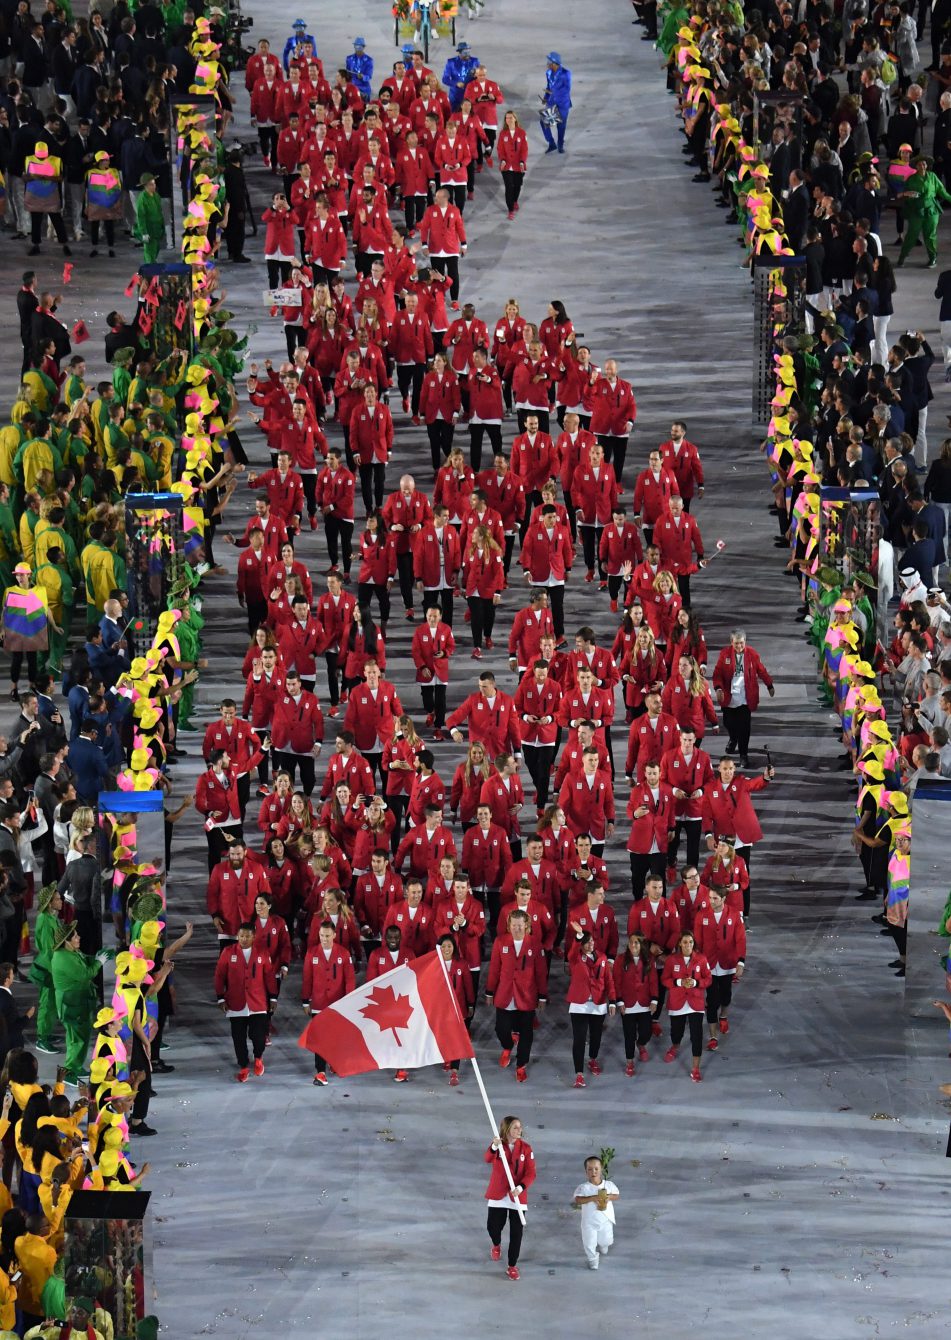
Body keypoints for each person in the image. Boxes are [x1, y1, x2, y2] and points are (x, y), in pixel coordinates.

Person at [485, 908, 548, 1081]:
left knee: (526, 1033)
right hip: (505, 994)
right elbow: (494, 969)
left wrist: (542, 996)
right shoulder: (500, 942)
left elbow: (541, 972)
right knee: (501, 1029)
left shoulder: (535, 943)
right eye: (514, 925)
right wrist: (489, 991)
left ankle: (521, 1065)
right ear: (509, 925)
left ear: (526, 925)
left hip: (527, 996)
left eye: (520, 926)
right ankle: (507, 1045)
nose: (517, 929)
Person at [214, 921, 278, 1082]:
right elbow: (219, 975)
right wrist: (220, 997)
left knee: (258, 1035)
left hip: (258, 1001)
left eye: (247, 936)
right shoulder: (228, 952)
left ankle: (258, 1058)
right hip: (236, 1002)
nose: (243, 939)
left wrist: (273, 997)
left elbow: (269, 976)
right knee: (238, 1037)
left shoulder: (262, 952)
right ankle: (243, 1066)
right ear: (237, 936)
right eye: (241, 936)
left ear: (253, 937)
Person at [711, 630, 775, 768]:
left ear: (745, 642)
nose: (739, 646)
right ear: (731, 642)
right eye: (736, 643)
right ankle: (733, 739)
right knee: (729, 723)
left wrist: (769, 684)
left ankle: (743, 755)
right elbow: (717, 673)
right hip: (729, 696)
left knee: (744, 728)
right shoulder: (725, 654)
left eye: (741, 643)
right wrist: (718, 688)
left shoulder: (752, 654)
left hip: (746, 697)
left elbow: (761, 670)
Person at [484, 1114, 535, 1280]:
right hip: (498, 1193)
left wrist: (521, 1187)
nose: (520, 1130)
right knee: (493, 1226)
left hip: (517, 1196)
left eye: (520, 1127)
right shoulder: (498, 1145)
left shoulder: (526, 1149)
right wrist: (493, 1146)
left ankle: (512, 1265)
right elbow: (487, 1158)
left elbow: (531, 1172)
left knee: (516, 1234)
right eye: (515, 1127)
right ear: (507, 1129)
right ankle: (496, 1244)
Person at [565, 928, 614, 1087]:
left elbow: (609, 981)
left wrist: (612, 1001)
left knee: (596, 1036)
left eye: (592, 941)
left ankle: (592, 1059)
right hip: (579, 1004)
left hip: (598, 1004)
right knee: (579, 1039)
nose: (590, 944)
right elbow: (572, 950)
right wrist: (578, 935)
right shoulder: (575, 958)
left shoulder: (603, 958)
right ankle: (579, 1074)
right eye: (586, 942)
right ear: (581, 945)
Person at [661, 930, 712, 1082]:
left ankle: (695, 1068)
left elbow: (708, 979)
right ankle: (675, 1045)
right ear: (679, 944)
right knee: (677, 1032)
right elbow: (664, 979)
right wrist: (678, 982)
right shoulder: (671, 960)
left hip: (696, 1002)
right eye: (685, 942)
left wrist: (696, 983)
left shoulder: (701, 959)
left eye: (690, 942)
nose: (688, 945)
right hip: (677, 1002)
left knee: (697, 1035)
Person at [573, 1155, 620, 1269]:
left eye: (596, 1169)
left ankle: (604, 1245)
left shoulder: (608, 1185)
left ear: (601, 1169)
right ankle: (593, 1259)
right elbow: (578, 1200)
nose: (593, 1172)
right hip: (589, 1222)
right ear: (586, 1171)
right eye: (590, 1169)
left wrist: (609, 1197)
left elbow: (616, 1195)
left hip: (605, 1219)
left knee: (606, 1240)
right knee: (589, 1243)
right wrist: (592, 1198)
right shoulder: (583, 1187)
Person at [541, 52, 572, 154]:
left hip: (563, 103)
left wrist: (553, 93)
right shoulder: (548, 73)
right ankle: (551, 143)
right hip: (552, 102)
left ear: (554, 63)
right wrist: (546, 98)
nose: (547, 63)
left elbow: (567, 89)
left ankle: (560, 145)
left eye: (549, 61)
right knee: (544, 122)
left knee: (561, 125)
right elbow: (548, 87)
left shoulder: (566, 73)